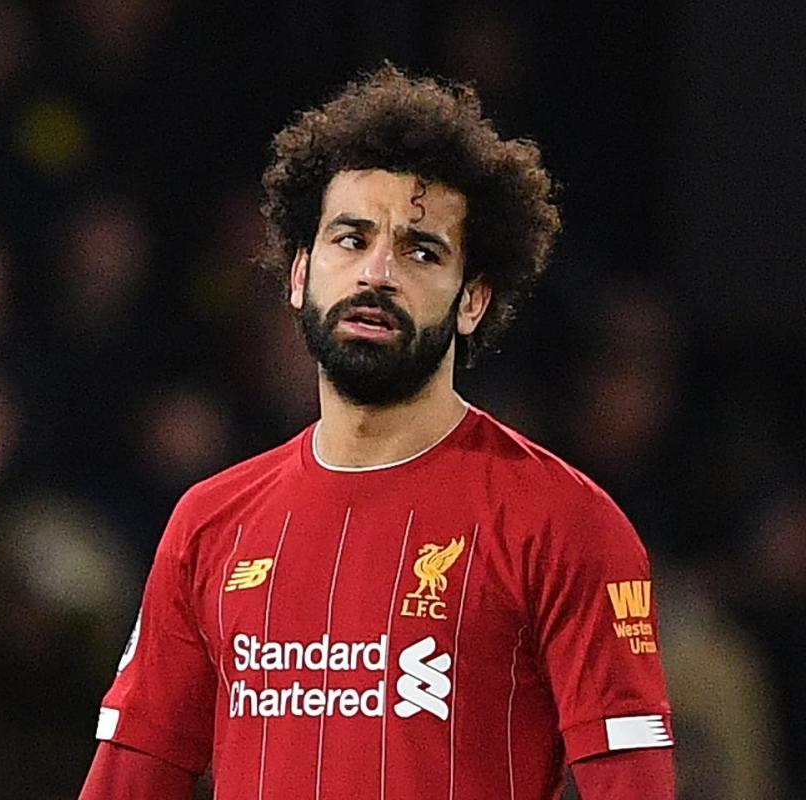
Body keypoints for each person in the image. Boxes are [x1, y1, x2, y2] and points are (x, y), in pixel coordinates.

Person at [79, 65, 675, 800]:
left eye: (422, 251)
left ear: (472, 300)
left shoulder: (565, 525)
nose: (378, 273)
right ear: (299, 275)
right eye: (351, 240)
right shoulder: (208, 526)